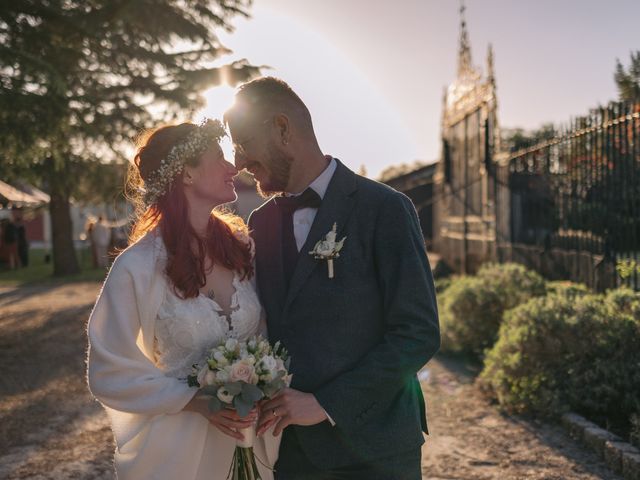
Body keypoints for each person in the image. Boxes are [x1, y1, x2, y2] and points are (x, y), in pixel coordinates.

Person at [224, 77, 441, 480]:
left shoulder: (385, 209)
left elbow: (418, 333)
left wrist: (326, 404)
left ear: (283, 128)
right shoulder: (261, 223)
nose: (238, 162)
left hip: (375, 451)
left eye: (243, 142)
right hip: (288, 454)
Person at [86, 119, 280, 480]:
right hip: (180, 453)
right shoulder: (139, 266)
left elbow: (267, 331)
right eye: (218, 157)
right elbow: (108, 365)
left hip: (251, 442)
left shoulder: (242, 250)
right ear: (186, 174)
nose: (232, 167)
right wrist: (194, 402)